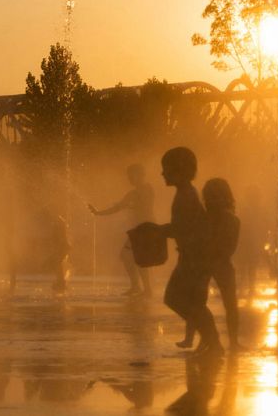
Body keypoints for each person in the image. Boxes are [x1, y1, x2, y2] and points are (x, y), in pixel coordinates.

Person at [158, 147, 222, 357]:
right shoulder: (185, 192)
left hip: (196, 257)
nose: (162, 173)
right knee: (192, 302)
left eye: (166, 169)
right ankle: (210, 341)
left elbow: (182, 228)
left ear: (179, 170)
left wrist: (157, 231)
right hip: (194, 255)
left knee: (178, 299)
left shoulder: (186, 195)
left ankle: (212, 340)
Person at [177, 178, 242, 351]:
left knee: (226, 304)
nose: (212, 200)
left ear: (224, 198)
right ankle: (194, 338)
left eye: (216, 196)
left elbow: (230, 248)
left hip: (215, 263)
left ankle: (232, 341)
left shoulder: (230, 220)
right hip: (211, 263)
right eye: (210, 196)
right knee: (199, 302)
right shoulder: (204, 218)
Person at [89, 163, 154, 297]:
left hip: (145, 228)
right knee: (130, 257)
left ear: (140, 175)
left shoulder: (146, 189)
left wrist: (100, 212)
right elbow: (118, 207)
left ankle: (144, 289)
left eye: (132, 175)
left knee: (134, 258)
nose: (129, 178)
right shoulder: (134, 193)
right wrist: (98, 213)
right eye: (128, 175)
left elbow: (141, 206)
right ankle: (140, 287)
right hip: (139, 229)